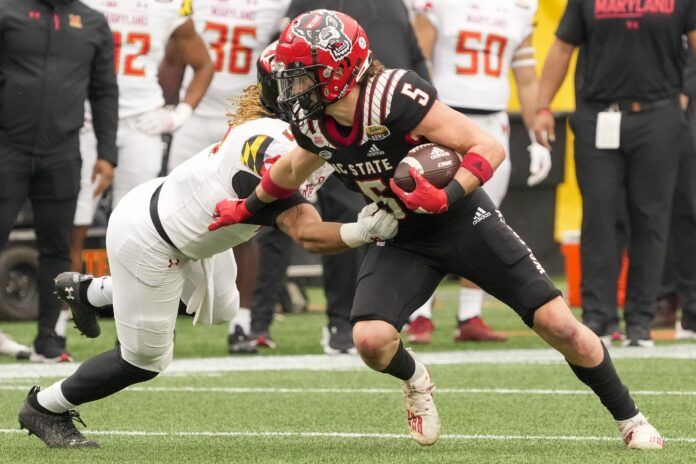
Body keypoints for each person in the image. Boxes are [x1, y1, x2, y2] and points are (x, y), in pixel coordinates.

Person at [214, 9, 664, 448]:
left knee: (560, 326)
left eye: (301, 75)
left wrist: (446, 196)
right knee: (370, 340)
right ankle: (416, 380)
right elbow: (291, 169)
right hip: (402, 235)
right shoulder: (315, 121)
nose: (291, 87)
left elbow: (485, 146)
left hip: (463, 220)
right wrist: (247, 206)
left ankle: (631, 418)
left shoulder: (393, 95)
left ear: (338, 70)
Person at [17, 47, 398, 448]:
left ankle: (90, 292)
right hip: (151, 239)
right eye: (304, 82)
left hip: (187, 225)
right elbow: (307, 233)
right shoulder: (269, 143)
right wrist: (364, 230)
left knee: (222, 309)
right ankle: (44, 408)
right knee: (144, 361)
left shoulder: (307, 132)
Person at [237, 0, 430, 355]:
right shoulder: (307, 5)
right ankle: (259, 322)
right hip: (302, 118)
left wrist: (414, 119)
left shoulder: (393, 7)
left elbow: (412, 58)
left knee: (344, 214)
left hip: (358, 125)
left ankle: (341, 322)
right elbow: (277, 61)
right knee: (276, 220)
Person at [533, 0, 696, 347]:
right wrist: (543, 106)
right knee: (600, 215)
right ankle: (599, 319)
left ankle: (641, 321)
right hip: (598, 116)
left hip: (658, 116)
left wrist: (686, 94)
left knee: (650, 219)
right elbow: (562, 48)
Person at [405, 0, 552, 344]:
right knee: (425, 209)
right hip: (443, 118)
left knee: (486, 214)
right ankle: (419, 313)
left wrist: (537, 137)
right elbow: (418, 60)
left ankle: (470, 315)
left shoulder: (521, 7)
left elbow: (527, 79)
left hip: (492, 123)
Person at [157, 0, 291, 354]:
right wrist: (169, 106)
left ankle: (241, 323)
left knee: (247, 221)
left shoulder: (276, 6)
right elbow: (174, 52)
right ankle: (160, 319)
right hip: (195, 115)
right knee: (169, 218)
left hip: (247, 118)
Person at [0, 0, 118, 362]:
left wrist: (107, 153)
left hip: (63, 150)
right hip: (7, 147)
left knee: (58, 246)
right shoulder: (7, 11)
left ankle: (49, 338)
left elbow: (104, 90)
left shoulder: (93, 22)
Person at [69, 0, 214, 290]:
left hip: (141, 124)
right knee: (72, 225)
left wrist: (178, 115)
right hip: (86, 120)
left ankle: (129, 326)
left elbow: (203, 64)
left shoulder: (169, 5)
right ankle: (59, 324)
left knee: (136, 229)